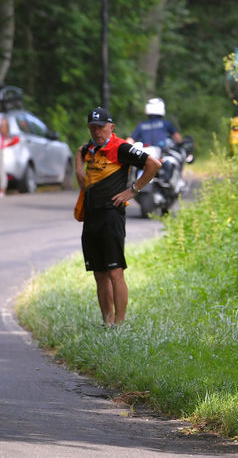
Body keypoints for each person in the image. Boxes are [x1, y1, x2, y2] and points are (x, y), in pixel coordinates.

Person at [76, 107, 161, 326]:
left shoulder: (120, 147)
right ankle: (107, 322)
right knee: (99, 274)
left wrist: (133, 190)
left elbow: (153, 164)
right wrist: (79, 161)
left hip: (111, 217)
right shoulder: (89, 149)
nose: (97, 132)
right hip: (92, 217)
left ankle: (120, 324)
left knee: (115, 272)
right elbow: (81, 171)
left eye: (101, 127)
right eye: (92, 128)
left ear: (111, 127)